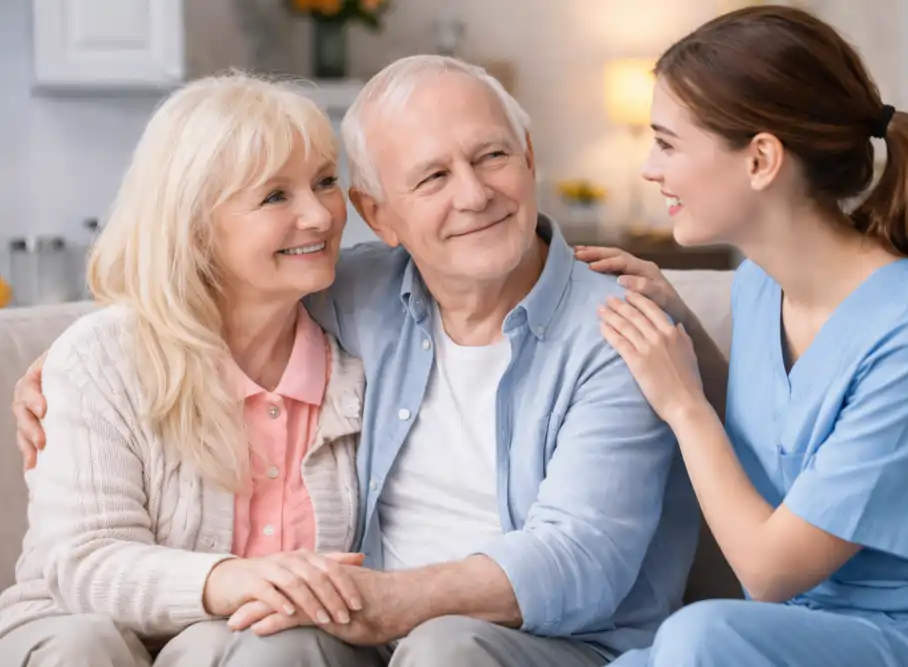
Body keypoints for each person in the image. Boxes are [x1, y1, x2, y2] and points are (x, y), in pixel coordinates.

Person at [11, 56, 701, 666]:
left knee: (429, 646)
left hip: (529, 639)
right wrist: (66, 368)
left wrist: (383, 601)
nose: (473, 195)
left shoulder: (619, 328)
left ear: (527, 155)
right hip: (334, 634)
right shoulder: (362, 296)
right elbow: (175, 306)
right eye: (432, 176)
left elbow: (581, 556)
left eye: (491, 156)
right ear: (381, 214)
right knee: (239, 645)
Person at [574, 6, 908, 667]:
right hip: (797, 633)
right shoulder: (758, 285)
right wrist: (678, 331)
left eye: (667, 143)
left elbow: (770, 573)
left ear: (761, 159)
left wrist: (683, 405)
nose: (649, 170)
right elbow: (778, 430)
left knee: (698, 637)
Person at [0, 74, 372, 667]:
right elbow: (85, 562)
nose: (320, 216)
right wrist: (231, 579)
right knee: (84, 645)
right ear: (194, 223)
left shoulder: (366, 347)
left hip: (260, 645)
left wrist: (566, 272)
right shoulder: (101, 359)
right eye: (275, 196)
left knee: (272, 645)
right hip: (75, 628)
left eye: (326, 181)